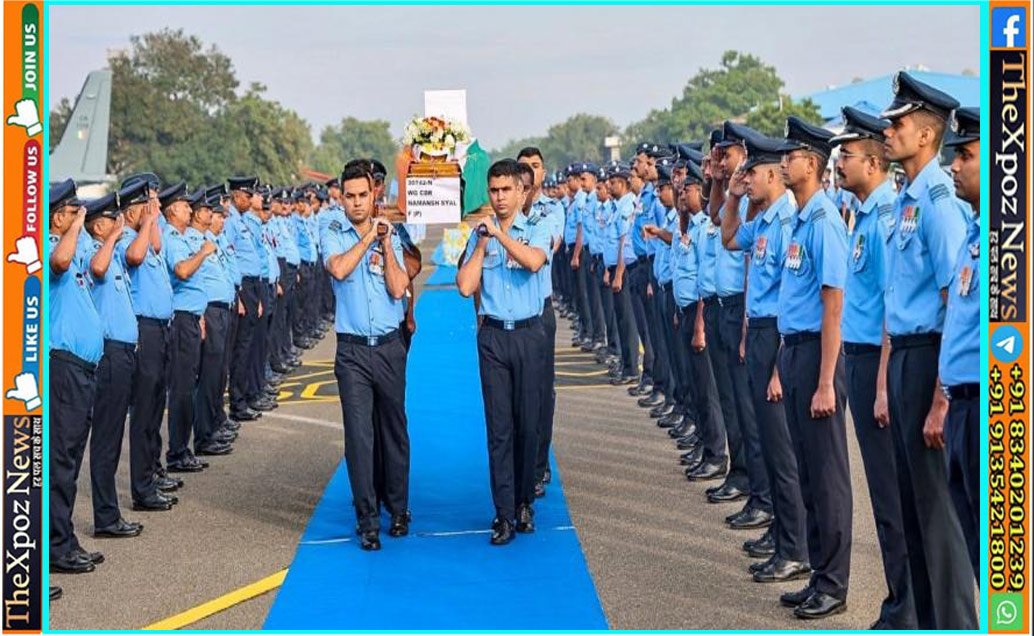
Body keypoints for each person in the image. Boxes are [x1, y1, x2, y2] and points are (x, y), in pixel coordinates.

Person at [880, 72, 976, 629]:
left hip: (932, 359)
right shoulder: (908, 200)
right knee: (913, 505)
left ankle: (954, 622)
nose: (889, 131)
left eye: (898, 123)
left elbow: (950, 298)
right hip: (908, 358)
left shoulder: (938, 201)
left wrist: (939, 395)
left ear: (925, 136)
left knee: (938, 515)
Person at [830, 106, 916, 629]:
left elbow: (891, 304)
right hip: (859, 361)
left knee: (891, 493)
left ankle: (906, 606)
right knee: (885, 493)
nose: (839, 164)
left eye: (848, 157)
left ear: (876, 163)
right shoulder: (863, 214)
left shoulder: (887, 216)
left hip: (879, 364)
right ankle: (899, 598)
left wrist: (883, 382)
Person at [720, 133, 809, 583]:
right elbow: (730, 239)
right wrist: (733, 199)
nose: (745, 179)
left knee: (782, 449)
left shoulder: (790, 222)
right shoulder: (765, 220)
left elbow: (793, 300)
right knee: (769, 444)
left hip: (777, 335)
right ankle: (781, 535)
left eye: (751, 173)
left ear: (773, 174)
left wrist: (776, 362)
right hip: (757, 331)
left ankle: (795, 548)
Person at [772, 116, 851, 619]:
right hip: (794, 350)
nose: (783, 161)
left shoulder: (823, 222)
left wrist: (825, 381)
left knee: (827, 475)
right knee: (805, 472)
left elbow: (833, 304)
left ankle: (835, 583)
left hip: (818, 356)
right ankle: (818, 574)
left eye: (791, 154)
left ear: (812, 164)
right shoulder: (800, 220)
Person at [457, 159, 550, 546]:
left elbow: (533, 261)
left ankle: (525, 500)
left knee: (528, 425)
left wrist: (501, 235)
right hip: (494, 335)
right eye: (493, 191)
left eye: (506, 190)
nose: (498, 197)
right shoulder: (481, 234)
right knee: (499, 429)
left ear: (521, 192)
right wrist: (482, 243)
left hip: (530, 334)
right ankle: (504, 512)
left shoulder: (537, 227)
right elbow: (464, 286)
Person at [322, 163, 411, 551]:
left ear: (374, 194)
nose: (357, 203)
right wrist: (366, 240)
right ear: (341, 197)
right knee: (359, 437)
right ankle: (367, 518)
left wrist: (387, 244)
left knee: (394, 430)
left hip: (390, 346)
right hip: (353, 350)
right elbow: (339, 269)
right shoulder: (331, 231)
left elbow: (398, 287)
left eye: (363, 195)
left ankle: (399, 507)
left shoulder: (392, 232)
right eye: (350, 196)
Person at [48, 179, 106, 574]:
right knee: (60, 460)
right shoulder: (49, 245)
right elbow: (61, 263)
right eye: (73, 211)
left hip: (81, 368)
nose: (79, 218)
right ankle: (55, 546)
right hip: (63, 365)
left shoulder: (69, 240)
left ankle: (64, 538)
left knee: (70, 457)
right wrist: (71, 228)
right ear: (57, 216)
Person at [79, 191, 144, 539]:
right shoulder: (95, 250)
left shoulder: (112, 251)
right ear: (98, 225)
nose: (118, 223)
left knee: (114, 433)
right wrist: (116, 237)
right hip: (108, 353)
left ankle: (110, 514)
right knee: (105, 437)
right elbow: (98, 269)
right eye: (111, 220)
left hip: (123, 351)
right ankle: (105, 517)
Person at [117, 176, 181, 511]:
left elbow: (156, 247)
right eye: (147, 203)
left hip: (161, 328)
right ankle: (141, 488)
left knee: (156, 405)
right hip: (144, 329)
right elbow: (137, 256)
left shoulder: (147, 233)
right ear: (132, 209)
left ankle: (151, 473)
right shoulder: (127, 236)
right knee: (143, 411)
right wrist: (148, 220)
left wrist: (151, 217)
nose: (153, 209)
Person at [940, 106, 981, 582]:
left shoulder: (1009, 240)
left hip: (993, 406)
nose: (954, 165)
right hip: (962, 405)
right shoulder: (972, 232)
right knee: (975, 543)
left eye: (965, 155)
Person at [517, 147, 566, 497]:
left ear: (543, 173)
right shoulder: (502, 210)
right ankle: (521, 462)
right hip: (511, 313)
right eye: (523, 167)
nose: (530, 172)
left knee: (542, 392)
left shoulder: (552, 210)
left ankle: (538, 462)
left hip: (539, 308)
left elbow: (549, 245)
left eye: (535, 167)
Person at [161, 183, 216, 473]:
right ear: (172, 211)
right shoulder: (171, 238)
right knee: (181, 388)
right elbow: (182, 271)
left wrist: (201, 315)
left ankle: (183, 449)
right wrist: (204, 252)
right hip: (180, 319)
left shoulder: (181, 237)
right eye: (184, 206)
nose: (189, 210)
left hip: (191, 317)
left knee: (189, 384)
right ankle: (177, 452)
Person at [188, 194, 237, 456]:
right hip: (210, 311)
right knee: (208, 377)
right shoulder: (193, 242)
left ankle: (213, 427)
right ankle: (203, 436)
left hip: (221, 310)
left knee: (218, 374)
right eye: (210, 211)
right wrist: (201, 316)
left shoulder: (208, 241)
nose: (214, 216)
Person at [226, 176, 265, 423]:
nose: (251, 200)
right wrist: (238, 296)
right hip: (242, 288)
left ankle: (244, 398)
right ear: (237, 194)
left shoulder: (240, 219)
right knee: (240, 349)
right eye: (248, 195)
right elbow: (228, 259)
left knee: (248, 346)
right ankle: (237, 404)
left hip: (252, 287)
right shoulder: (230, 220)